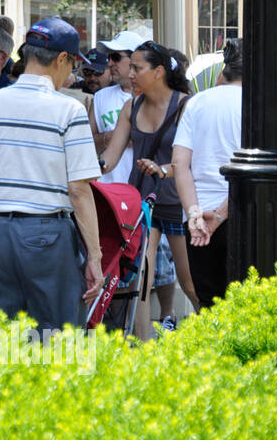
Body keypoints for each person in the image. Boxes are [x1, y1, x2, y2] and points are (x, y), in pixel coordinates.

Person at [0, 18, 103, 332]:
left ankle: (12, 382)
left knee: (8, 331)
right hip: (48, 232)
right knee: (59, 334)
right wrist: (94, 256)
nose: (71, 74)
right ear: (60, 60)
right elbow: (79, 191)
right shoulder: (68, 110)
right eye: (72, 65)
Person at [97, 41, 199, 336]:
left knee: (190, 281)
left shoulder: (185, 105)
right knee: (140, 275)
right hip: (143, 203)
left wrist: (164, 170)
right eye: (130, 68)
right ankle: (142, 342)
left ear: (158, 72)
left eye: (136, 68)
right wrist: (85, 169)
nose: (130, 74)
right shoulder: (132, 106)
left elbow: (192, 160)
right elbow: (111, 156)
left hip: (178, 203)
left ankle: (214, 338)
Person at [173, 39, 244, 309]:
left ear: (222, 72)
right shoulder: (259, 105)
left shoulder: (197, 103)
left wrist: (194, 213)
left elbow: (180, 164)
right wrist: (220, 214)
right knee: (246, 305)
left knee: (208, 303)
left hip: (198, 218)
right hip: (241, 214)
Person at [92, 30, 149, 182]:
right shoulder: (100, 97)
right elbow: (87, 145)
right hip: (109, 191)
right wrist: (112, 137)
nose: (110, 63)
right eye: (109, 57)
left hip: (145, 192)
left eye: (116, 57)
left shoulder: (154, 97)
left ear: (135, 59)